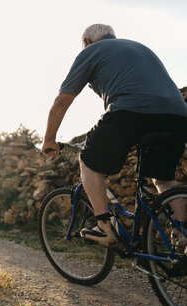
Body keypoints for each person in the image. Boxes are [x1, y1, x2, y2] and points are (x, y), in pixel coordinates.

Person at [42, 24, 187, 247]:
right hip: (178, 115)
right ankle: (181, 236)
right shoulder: (140, 48)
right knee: (164, 178)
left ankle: (104, 228)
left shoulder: (91, 51)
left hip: (131, 111)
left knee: (88, 161)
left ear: (88, 42)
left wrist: (49, 139)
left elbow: (62, 101)